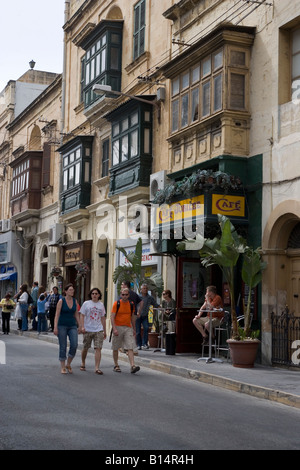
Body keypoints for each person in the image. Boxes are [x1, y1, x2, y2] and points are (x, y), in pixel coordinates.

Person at [111, 287, 140, 374]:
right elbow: (112, 317)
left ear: (128, 295)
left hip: (128, 328)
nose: (124, 296)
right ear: (120, 295)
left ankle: (132, 366)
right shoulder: (116, 304)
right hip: (118, 327)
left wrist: (134, 329)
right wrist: (114, 328)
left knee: (130, 346)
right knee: (116, 347)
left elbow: (132, 318)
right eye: (123, 295)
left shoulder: (131, 304)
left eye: (126, 295)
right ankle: (116, 365)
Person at [54, 283, 80, 375]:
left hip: (72, 325)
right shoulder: (61, 301)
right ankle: (62, 366)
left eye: (73, 290)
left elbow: (76, 314)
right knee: (63, 346)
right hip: (62, 325)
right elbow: (57, 314)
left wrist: (80, 325)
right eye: (70, 290)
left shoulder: (75, 301)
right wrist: (55, 327)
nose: (72, 291)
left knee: (74, 344)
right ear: (65, 291)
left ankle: (68, 364)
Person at [79, 288, 106, 375]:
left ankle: (97, 367)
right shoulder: (86, 304)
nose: (94, 295)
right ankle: (83, 362)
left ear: (99, 295)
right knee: (85, 347)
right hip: (88, 329)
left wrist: (104, 331)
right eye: (93, 293)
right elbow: (82, 316)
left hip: (98, 329)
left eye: (96, 293)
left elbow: (103, 318)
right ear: (91, 295)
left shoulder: (101, 305)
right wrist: (82, 326)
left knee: (98, 348)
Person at [136, 283, 159, 350]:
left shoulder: (150, 298)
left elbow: (155, 304)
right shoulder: (138, 297)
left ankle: (145, 344)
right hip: (138, 316)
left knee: (146, 328)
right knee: (138, 331)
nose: (145, 290)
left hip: (145, 316)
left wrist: (161, 308)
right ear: (141, 290)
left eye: (146, 288)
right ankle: (139, 345)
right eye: (144, 288)